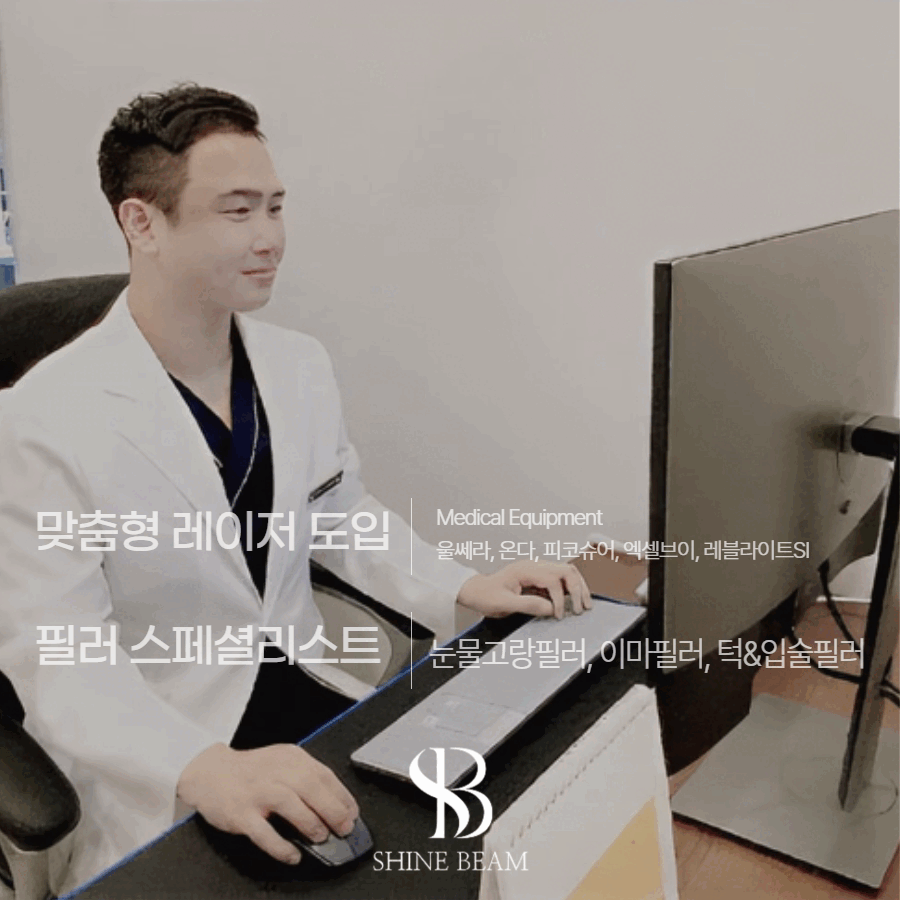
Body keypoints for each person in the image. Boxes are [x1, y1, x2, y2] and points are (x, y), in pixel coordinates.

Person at [0, 84, 591, 891]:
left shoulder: (296, 366)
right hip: (169, 743)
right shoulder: (40, 419)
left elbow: (339, 513)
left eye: (276, 208)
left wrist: (463, 584)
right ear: (142, 223)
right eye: (238, 212)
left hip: (306, 695)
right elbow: (59, 657)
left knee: (496, 829)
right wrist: (202, 765)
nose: (270, 238)